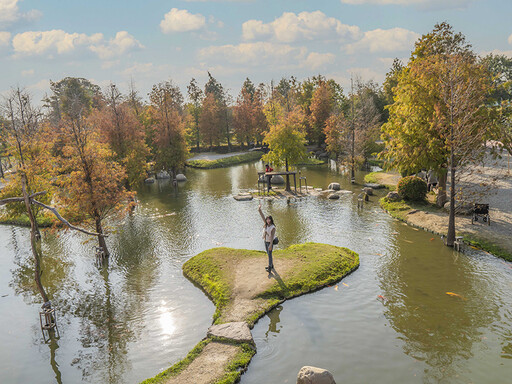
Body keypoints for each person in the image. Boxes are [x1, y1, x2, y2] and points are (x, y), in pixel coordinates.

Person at [258, 202, 276, 272]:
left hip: (269, 242)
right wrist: (259, 208)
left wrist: (270, 245)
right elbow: (262, 215)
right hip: (265, 241)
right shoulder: (266, 224)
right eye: (267, 219)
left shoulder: (273, 227)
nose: (268, 221)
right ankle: (271, 265)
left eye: (269, 219)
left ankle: (269, 268)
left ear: (271, 220)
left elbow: (271, 237)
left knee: (270, 254)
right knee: (269, 254)